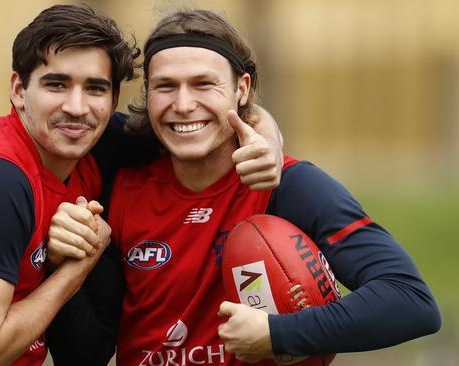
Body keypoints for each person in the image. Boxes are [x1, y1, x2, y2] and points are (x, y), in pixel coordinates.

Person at [0, 5, 283, 365]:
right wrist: (76, 266)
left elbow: (205, 121)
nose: (76, 107)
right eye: (56, 85)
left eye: (95, 88)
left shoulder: (92, 144)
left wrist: (267, 142)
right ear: (19, 90)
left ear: (112, 98)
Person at [46, 9, 441, 366]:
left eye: (203, 84)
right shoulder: (121, 184)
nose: (183, 104)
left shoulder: (289, 186)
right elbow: (85, 353)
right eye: (165, 86)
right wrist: (61, 263)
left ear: (242, 88)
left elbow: (410, 302)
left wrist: (277, 335)